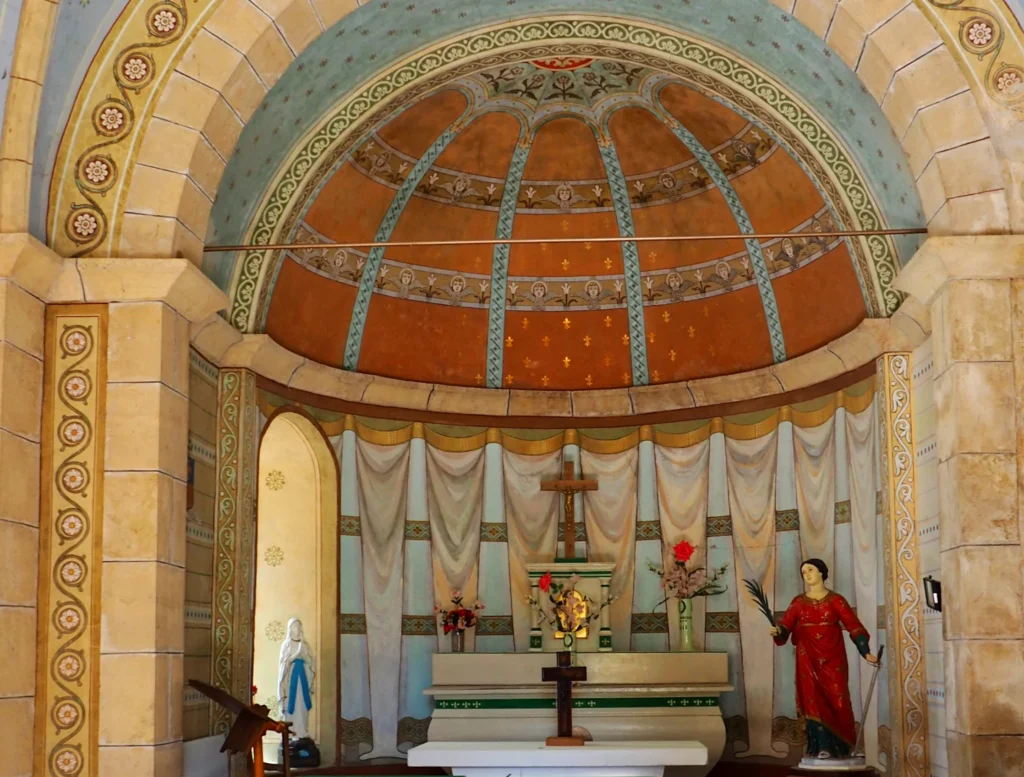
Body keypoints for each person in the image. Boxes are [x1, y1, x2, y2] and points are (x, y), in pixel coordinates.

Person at [770, 559, 878, 761]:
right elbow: (786, 627)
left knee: (839, 699)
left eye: (810, 569)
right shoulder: (798, 602)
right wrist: (778, 631)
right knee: (813, 701)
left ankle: (844, 746)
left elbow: (854, 627)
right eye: (803, 572)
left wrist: (866, 653)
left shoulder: (836, 600)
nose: (806, 574)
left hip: (833, 659)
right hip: (807, 659)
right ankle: (820, 747)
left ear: (822, 572)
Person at [277, 618, 315, 741]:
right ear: (290, 629)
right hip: (290, 681)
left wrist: (303, 655)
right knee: (291, 704)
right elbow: (283, 664)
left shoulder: (305, 645)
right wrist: (295, 655)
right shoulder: (286, 644)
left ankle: (302, 732)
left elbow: (310, 663)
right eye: (294, 626)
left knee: (302, 705)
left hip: (302, 678)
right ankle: (292, 733)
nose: (297, 629)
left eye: (299, 626)